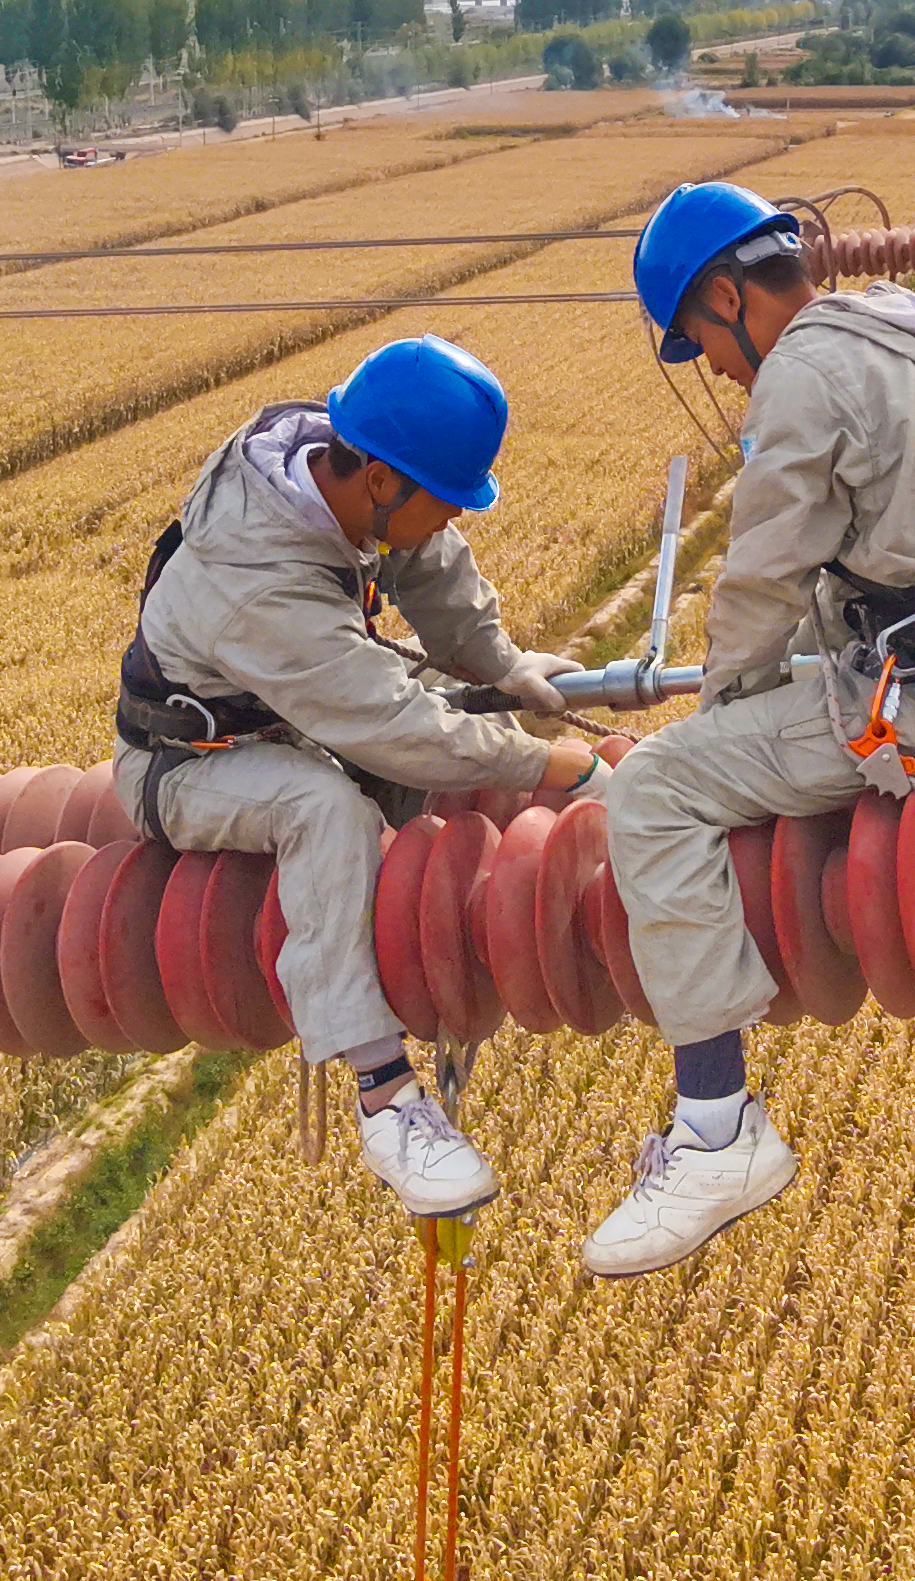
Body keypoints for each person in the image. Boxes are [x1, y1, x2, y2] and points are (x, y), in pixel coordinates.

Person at [583, 183, 915, 1277]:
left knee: (654, 793)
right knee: (853, 615)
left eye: (705, 344)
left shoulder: (804, 378)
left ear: (729, 296)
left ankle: (717, 1136)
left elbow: (763, 579)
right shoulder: (907, 322)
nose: (720, 373)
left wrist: (718, 727)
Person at [113, 335, 617, 1217]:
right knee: (324, 809)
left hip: (286, 714)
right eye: (446, 500)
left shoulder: (345, 471)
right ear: (381, 482)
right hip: (188, 764)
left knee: (444, 709)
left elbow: (429, 562)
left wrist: (501, 669)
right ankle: (382, 1098)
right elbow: (392, 729)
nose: (454, 518)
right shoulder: (259, 581)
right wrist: (547, 765)